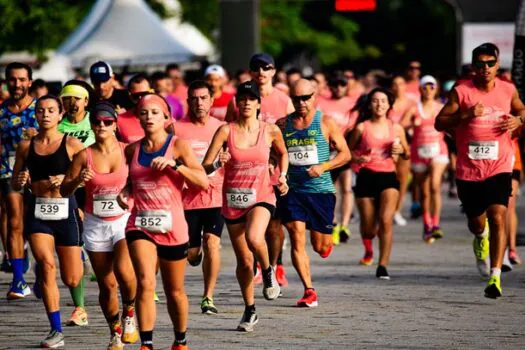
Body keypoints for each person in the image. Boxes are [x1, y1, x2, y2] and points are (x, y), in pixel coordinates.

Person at [117, 93, 209, 350]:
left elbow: (202, 181)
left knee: (174, 290)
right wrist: (125, 192)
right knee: (145, 281)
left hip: (172, 225)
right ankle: (146, 344)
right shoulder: (132, 149)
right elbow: (130, 183)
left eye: (155, 113)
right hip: (140, 223)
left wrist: (175, 166)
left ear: (166, 118)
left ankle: (180, 340)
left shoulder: (178, 146)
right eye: (144, 113)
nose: (148, 117)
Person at [435, 43, 525, 298]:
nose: (485, 68)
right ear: (473, 67)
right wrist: (465, 116)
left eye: (489, 63)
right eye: (479, 64)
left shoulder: (508, 89)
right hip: (469, 170)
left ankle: (495, 276)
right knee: (477, 222)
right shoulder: (462, 91)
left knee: (498, 215)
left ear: (497, 65)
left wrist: (518, 120)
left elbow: (521, 109)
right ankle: (480, 236)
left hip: (500, 165)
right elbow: (439, 122)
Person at [202, 81, 288, 332]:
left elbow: (283, 154)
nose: (247, 102)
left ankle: (269, 270)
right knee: (243, 262)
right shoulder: (225, 131)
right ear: (236, 103)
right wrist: (219, 162)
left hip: (262, 194)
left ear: (259, 103)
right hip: (233, 199)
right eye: (242, 98)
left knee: (254, 237)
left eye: (252, 98)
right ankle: (250, 310)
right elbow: (206, 166)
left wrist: (283, 176)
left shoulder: (270, 131)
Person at [61, 101, 139, 349]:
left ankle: (129, 313)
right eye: (97, 122)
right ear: (92, 126)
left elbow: (142, 179)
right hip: (95, 223)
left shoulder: (128, 151)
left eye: (107, 121)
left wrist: (130, 194)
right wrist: (78, 183)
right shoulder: (84, 155)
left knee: (126, 273)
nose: (102, 125)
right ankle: (115, 333)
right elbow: (64, 189)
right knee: (107, 283)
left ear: (115, 124)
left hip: (123, 220)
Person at [12, 95, 85, 347]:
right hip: (39, 211)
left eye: (51, 110)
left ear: (60, 114)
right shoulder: (25, 146)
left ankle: (47, 282)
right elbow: (15, 181)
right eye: (41, 110)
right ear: (36, 114)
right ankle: (55, 331)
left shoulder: (73, 144)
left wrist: (66, 179)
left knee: (72, 279)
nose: (45, 115)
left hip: (66, 212)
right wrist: (20, 182)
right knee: (46, 265)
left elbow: (86, 178)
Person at [278, 79, 351, 306]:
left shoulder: (326, 122)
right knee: (296, 236)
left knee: (321, 247)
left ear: (315, 96)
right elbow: (275, 153)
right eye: (296, 98)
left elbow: (345, 154)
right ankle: (309, 290)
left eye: (305, 98)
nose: (301, 103)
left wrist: (323, 167)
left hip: (320, 191)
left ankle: (324, 240)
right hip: (293, 190)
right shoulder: (283, 125)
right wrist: (278, 171)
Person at [226, 53, 294, 288]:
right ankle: (259, 266)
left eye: (266, 68)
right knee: (251, 230)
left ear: (274, 71)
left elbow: (291, 137)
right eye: (256, 68)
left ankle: (275, 267)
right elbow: (229, 132)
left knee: (274, 225)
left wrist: (278, 163)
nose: (261, 72)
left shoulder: (284, 100)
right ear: (251, 72)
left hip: (274, 170)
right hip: (244, 174)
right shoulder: (239, 101)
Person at [174, 80, 225, 315]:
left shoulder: (222, 128)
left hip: (216, 194)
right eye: (194, 98)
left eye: (203, 98)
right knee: (192, 253)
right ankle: (195, 255)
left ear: (211, 100)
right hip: (187, 198)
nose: (199, 103)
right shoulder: (177, 129)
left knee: (212, 242)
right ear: (188, 102)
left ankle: (208, 297)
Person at [348, 88, 410, 278]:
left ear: (389, 105)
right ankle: (368, 248)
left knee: (385, 220)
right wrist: (358, 159)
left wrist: (400, 150)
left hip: (388, 177)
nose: (379, 105)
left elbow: (407, 154)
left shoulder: (396, 128)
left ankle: (383, 265)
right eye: (375, 101)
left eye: (383, 101)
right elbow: (346, 153)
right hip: (366, 176)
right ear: (369, 104)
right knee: (368, 228)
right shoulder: (361, 128)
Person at [0, 62, 37, 299]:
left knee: (36, 227)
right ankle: (18, 280)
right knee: (14, 221)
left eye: (22, 79)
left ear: (30, 82)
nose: (17, 84)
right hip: (8, 171)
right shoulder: (1, 113)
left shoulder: (41, 110)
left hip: (39, 175)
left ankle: (42, 273)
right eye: (13, 80)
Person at [402, 75, 448, 243]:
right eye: (425, 87)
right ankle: (427, 223)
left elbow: (452, 123)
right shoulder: (415, 107)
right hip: (419, 152)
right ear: (420, 89)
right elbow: (401, 125)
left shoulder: (441, 107)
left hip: (438, 150)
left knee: (435, 185)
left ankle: (436, 224)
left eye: (432, 87)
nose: (428, 90)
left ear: (436, 89)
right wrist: (412, 124)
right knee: (424, 191)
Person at [317, 75, 356, 244]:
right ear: (329, 86)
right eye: (335, 84)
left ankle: (344, 225)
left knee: (347, 188)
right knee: (331, 189)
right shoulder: (321, 102)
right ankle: (332, 223)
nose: (338, 88)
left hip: (344, 149)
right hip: (327, 151)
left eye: (342, 84)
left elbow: (354, 126)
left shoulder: (352, 103)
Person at [389, 75, 415, 227]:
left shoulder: (411, 103)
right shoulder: (388, 102)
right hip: (387, 143)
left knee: (402, 178)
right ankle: (386, 208)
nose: (398, 87)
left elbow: (410, 122)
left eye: (400, 83)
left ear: (405, 86)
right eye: (395, 83)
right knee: (388, 176)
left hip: (405, 143)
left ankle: (397, 210)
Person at [116, 74, 151, 144]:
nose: (140, 98)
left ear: (152, 92)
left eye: (144, 94)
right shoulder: (119, 121)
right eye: (136, 96)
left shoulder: (163, 118)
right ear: (130, 96)